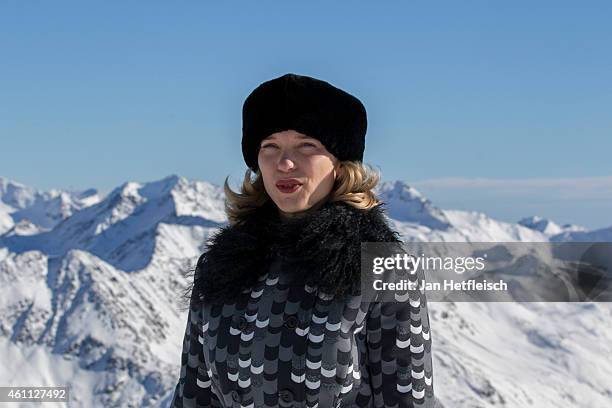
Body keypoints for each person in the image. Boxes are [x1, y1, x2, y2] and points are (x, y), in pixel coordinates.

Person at [171, 73, 435, 407]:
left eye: (306, 146)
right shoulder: (219, 267)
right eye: (270, 147)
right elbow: (193, 394)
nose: (284, 163)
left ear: (340, 164)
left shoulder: (383, 268)